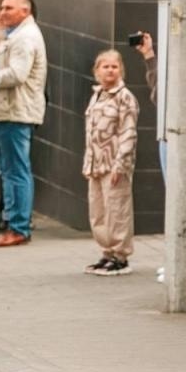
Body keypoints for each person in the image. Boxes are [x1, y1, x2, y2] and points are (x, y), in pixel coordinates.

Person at [0, 0, 48, 248]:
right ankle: (12, 222)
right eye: (2, 7)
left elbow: (17, 74)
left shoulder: (25, 38)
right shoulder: (16, 35)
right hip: (7, 111)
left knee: (16, 171)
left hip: (15, 112)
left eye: (8, 8)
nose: (2, 12)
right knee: (10, 170)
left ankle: (19, 227)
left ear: (25, 11)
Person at [82, 49, 139, 276]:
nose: (110, 70)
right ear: (97, 71)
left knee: (117, 209)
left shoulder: (125, 98)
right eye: (105, 66)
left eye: (114, 66)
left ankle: (120, 254)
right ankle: (106, 251)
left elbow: (128, 132)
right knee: (98, 210)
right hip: (96, 163)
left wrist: (121, 163)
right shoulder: (97, 95)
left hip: (114, 164)